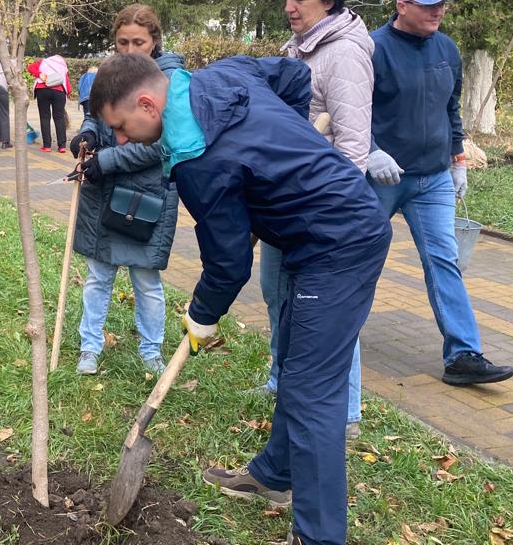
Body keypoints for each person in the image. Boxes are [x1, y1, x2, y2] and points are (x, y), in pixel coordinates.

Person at [89, 52, 392, 545]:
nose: (121, 140)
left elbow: (229, 264)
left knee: (311, 392)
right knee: (295, 365)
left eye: (121, 127)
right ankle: (274, 476)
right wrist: (285, 152)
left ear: (147, 102)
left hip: (340, 242)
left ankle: (318, 537)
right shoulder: (221, 76)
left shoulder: (199, 161)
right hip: (314, 237)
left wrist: (201, 316)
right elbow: (292, 75)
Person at [367, 0, 513, 386]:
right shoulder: (373, 48)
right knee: (361, 261)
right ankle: (335, 340)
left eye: (442, 4)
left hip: (432, 179)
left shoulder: (447, 49)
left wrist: (458, 160)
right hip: (381, 179)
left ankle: (463, 355)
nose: (438, 11)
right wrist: (368, 150)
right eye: (429, 4)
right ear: (402, 7)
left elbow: (450, 109)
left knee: (444, 262)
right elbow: (350, 109)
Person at [259, 0, 371, 440]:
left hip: (318, 207)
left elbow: (352, 147)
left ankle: (345, 411)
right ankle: (280, 381)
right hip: (284, 200)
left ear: (327, 1)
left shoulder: (343, 54)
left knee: (326, 313)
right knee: (276, 294)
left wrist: (319, 204)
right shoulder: (301, 48)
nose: (289, 6)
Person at [67, 4, 181, 376]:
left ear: (155, 41)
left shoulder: (171, 80)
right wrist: (85, 133)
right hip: (103, 192)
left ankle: (151, 351)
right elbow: (97, 112)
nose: (130, 50)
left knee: (146, 279)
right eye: (122, 42)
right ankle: (89, 347)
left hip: (145, 195)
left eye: (139, 42)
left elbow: (162, 142)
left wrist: (109, 161)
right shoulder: (109, 72)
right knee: (98, 274)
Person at [27, 54, 71, 152]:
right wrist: (68, 93)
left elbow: (30, 67)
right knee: (59, 117)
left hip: (42, 90)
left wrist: (39, 74)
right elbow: (66, 81)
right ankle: (62, 146)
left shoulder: (43, 62)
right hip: (59, 91)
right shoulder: (63, 65)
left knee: (44, 117)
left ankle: (47, 146)